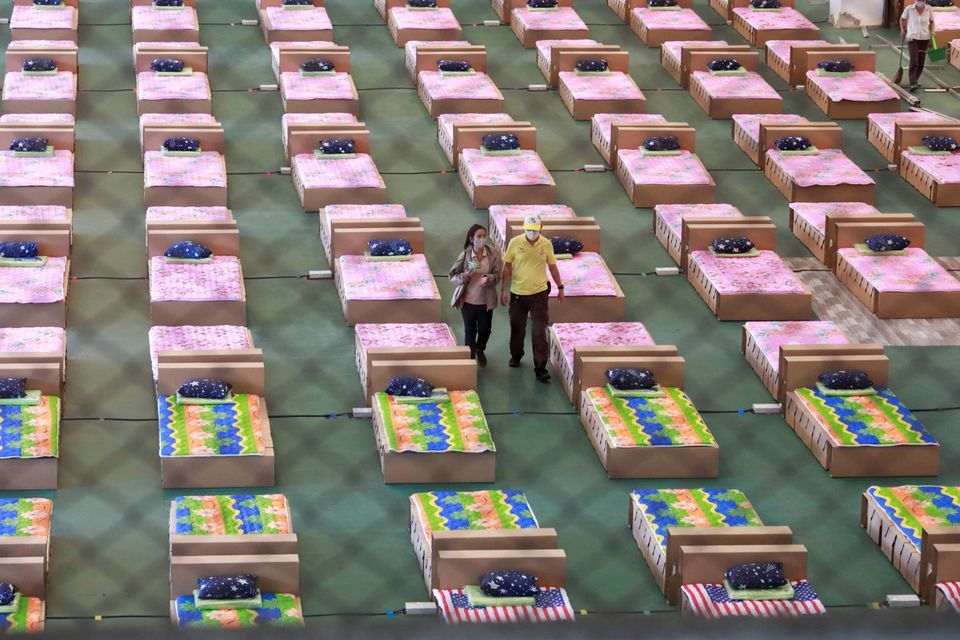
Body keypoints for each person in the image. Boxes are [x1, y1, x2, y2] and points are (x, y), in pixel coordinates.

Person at [500, 213, 564, 383]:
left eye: (535, 230)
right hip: (518, 294)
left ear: (541, 228)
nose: (531, 233)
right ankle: (516, 355)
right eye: (528, 230)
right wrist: (503, 290)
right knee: (517, 328)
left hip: (539, 294)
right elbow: (507, 266)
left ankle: (541, 368)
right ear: (524, 228)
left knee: (538, 330)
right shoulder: (515, 243)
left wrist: (560, 287)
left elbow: (553, 267)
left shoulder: (547, 244)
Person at [449, 224, 502, 367]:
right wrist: (465, 276)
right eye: (479, 236)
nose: (482, 239)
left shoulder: (492, 254)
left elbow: (498, 275)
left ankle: (480, 348)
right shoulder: (465, 255)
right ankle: (470, 362)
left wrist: (488, 278)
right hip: (468, 302)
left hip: (485, 302)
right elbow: (453, 276)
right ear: (472, 239)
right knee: (469, 333)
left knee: (485, 330)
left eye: (484, 236)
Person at [900, 0, 935, 92]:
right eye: (919, 0)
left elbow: (932, 21)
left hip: (924, 38)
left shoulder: (929, 9)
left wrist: (933, 30)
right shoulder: (909, 9)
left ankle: (915, 80)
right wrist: (902, 30)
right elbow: (902, 19)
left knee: (921, 62)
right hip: (912, 37)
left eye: (922, 0)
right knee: (914, 61)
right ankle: (912, 83)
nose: (920, 2)